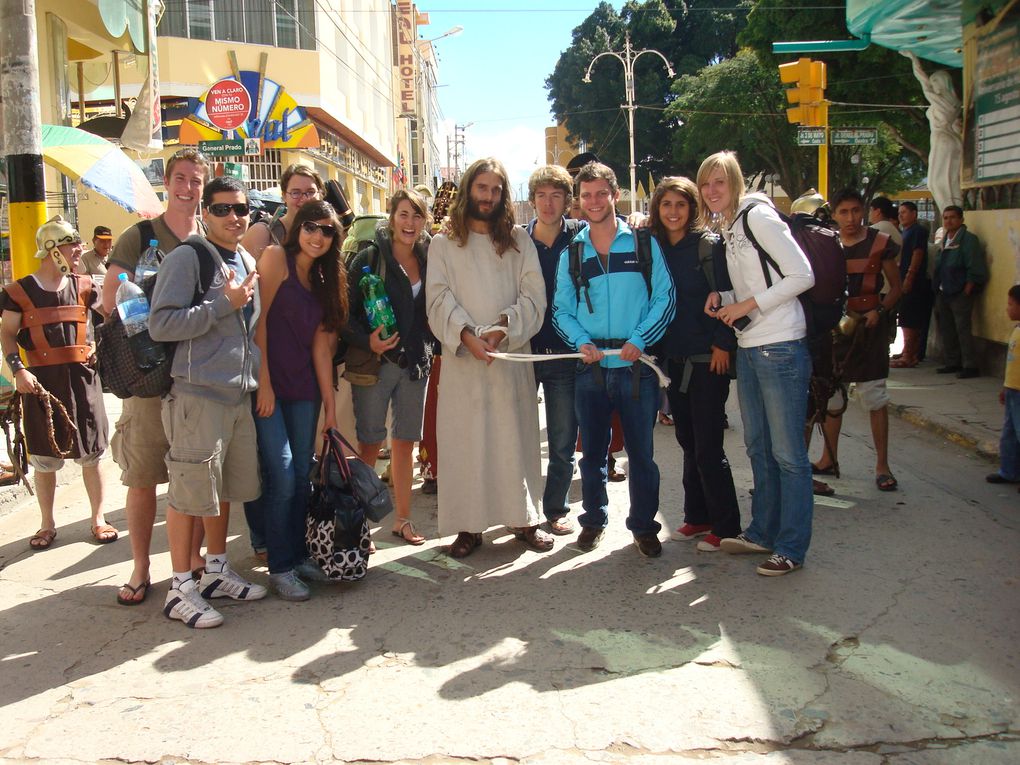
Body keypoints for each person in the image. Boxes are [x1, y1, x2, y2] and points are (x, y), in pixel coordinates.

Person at [149, 176, 266, 628]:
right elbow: (162, 324)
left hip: (236, 395)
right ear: (205, 213)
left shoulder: (246, 257)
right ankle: (180, 587)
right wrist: (223, 303)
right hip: (197, 396)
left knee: (223, 491)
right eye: (222, 209)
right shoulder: (189, 258)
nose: (234, 217)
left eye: (241, 209)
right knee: (188, 492)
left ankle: (216, 570)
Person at [425, 157, 551, 558]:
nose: (489, 196)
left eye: (496, 189)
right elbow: (438, 297)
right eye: (482, 188)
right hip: (464, 360)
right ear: (468, 190)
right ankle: (469, 526)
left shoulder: (518, 241)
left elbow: (533, 295)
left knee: (515, 440)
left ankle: (523, 518)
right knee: (466, 444)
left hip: (508, 358)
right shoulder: (444, 243)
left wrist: (502, 329)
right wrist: (467, 335)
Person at [699, 151, 815, 576]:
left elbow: (802, 275)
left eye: (720, 182)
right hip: (750, 345)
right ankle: (762, 531)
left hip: (781, 346)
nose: (712, 191)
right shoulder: (728, 226)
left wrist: (749, 302)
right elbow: (755, 283)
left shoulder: (758, 218)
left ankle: (792, 546)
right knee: (758, 448)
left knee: (788, 455)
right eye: (706, 183)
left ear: (735, 183)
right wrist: (726, 300)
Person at [103, 147, 210, 606]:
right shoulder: (140, 237)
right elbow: (112, 299)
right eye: (181, 179)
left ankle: (193, 562)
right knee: (143, 476)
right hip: (149, 379)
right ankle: (141, 565)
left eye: (196, 180)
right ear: (167, 183)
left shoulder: (210, 238)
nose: (188, 188)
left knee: (195, 477)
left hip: (196, 379)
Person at [552, 161, 675, 557]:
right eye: (586, 195)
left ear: (615, 194)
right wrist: (581, 341)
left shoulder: (642, 242)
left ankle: (643, 526)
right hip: (590, 368)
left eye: (601, 193)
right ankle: (593, 521)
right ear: (578, 199)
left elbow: (665, 298)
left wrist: (641, 339)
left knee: (642, 456)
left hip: (636, 367)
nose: (593, 201)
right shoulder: (572, 252)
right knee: (592, 456)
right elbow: (561, 310)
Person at [246, 200, 349, 600]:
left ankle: (299, 553)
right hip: (270, 386)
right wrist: (265, 383)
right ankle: (281, 566)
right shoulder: (275, 258)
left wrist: (330, 408)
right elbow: (259, 326)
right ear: (298, 227)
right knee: (284, 474)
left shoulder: (327, 280)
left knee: (302, 477)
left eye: (326, 231)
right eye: (311, 227)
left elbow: (322, 350)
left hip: (305, 390)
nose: (317, 236)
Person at [1, 216, 115, 551]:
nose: (79, 249)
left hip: (83, 380)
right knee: (44, 458)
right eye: (72, 243)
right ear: (52, 249)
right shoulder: (18, 292)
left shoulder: (84, 285)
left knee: (93, 453)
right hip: (41, 382)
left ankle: (98, 518)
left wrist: (99, 346)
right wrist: (18, 370)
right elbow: (7, 334)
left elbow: (109, 316)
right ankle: (47, 524)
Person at [648, 176, 740, 552]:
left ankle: (727, 525)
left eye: (680, 205)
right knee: (687, 441)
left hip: (707, 359)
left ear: (693, 208)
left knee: (708, 446)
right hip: (672, 359)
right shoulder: (652, 248)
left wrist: (723, 344)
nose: (673, 212)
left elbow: (728, 296)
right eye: (666, 204)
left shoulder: (708, 246)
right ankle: (697, 516)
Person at [343, 189, 433, 546]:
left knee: (406, 441)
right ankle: (361, 524)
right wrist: (369, 341)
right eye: (404, 214)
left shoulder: (429, 259)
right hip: (375, 364)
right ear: (391, 216)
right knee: (368, 443)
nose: (410, 223)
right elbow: (343, 315)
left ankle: (403, 520)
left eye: (417, 216)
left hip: (415, 362)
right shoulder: (369, 256)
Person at [813, 189, 902, 492]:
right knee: (832, 397)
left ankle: (882, 466)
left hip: (869, 330)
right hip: (835, 330)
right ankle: (829, 458)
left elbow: (896, 288)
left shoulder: (879, 243)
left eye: (855, 211)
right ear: (834, 214)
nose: (850, 218)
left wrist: (879, 311)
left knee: (874, 396)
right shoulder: (826, 243)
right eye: (843, 212)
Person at [525, 165, 585, 535]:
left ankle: (555, 509)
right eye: (542, 196)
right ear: (532, 200)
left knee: (563, 439)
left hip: (565, 354)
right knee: (520, 436)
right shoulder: (516, 241)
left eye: (556, 195)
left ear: (567, 200)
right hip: (524, 353)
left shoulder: (580, 237)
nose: (548, 203)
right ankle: (524, 510)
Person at [933, 206, 987, 379]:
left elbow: (974, 265)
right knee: (947, 328)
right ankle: (952, 362)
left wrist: (967, 289)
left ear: (961, 219)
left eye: (952, 217)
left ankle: (970, 365)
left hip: (960, 291)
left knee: (963, 329)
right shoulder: (945, 239)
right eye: (946, 217)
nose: (948, 221)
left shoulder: (968, 239)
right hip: (944, 290)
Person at [241, 163, 324, 262]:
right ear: (284, 196)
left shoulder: (327, 232)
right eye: (296, 193)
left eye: (310, 192)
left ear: (320, 193)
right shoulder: (264, 233)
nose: (305, 199)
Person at [986, 285, 1020, 490]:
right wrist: (1005, 387)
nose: (1007, 309)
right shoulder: (1016, 330)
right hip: (1012, 389)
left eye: (1010, 304)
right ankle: (1008, 471)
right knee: (1009, 432)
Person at [892, 201, 933, 368]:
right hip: (903, 279)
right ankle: (908, 351)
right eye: (899, 212)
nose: (901, 215)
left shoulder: (918, 231)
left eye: (904, 212)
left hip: (915, 282)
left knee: (910, 319)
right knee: (905, 317)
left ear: (914, 214)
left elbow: (918, 253)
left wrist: (910, 276)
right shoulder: (904, 232)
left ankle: (910, 355)